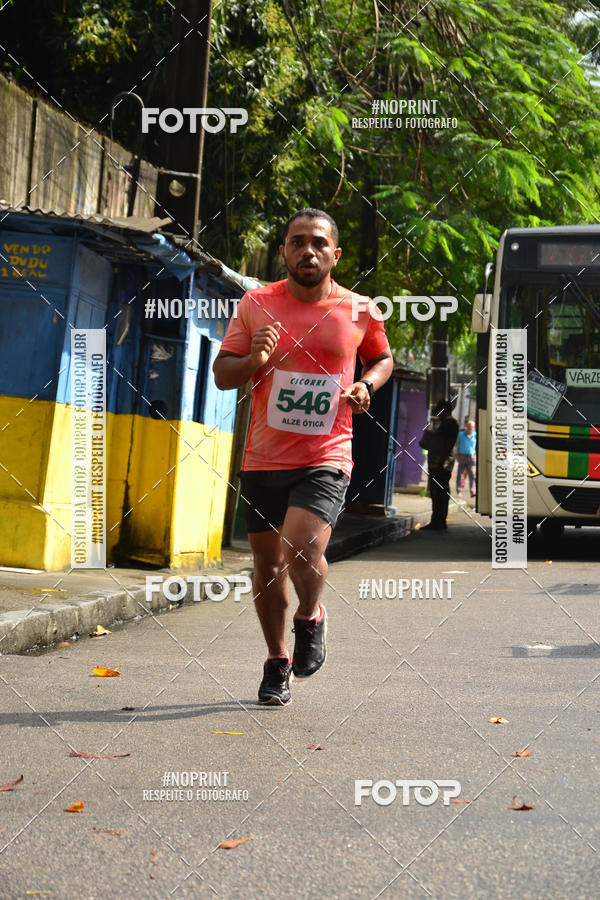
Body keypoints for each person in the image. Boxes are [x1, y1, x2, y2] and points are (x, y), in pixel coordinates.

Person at [212, 208, 393, 705]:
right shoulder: (255, 304)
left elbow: (382, 357)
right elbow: (223, 373)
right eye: (297, 242)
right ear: (284, 251)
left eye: (318, 243)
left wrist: (366, 384)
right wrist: (254, 359)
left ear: (335, 253)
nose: (307, 251)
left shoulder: (359, 309)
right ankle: (277, 661)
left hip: (327, 452)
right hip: (265, 456)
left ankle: (309, 617)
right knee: (267, 565)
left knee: (301, 545)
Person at [419, 399, 459, 530]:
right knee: (438, 494)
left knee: (439, 494)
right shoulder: (445, 423)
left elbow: (448, 443)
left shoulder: (449, 424)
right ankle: (438, 521)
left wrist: (442, 461)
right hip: (439, 463)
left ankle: (438, 522)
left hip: (441, 464)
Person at [456, 419, 477, 497]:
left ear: (474, 428)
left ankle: (473, 491)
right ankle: (459, 491)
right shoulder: (461, 434)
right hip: (462, 456)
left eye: (471, 427)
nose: (470, 428)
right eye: (468, 426)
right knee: (460, 474)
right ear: (466, 427)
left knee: (472, 474)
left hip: (472, 457)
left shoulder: (475, 435)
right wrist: (456, 452)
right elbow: (456, 444)